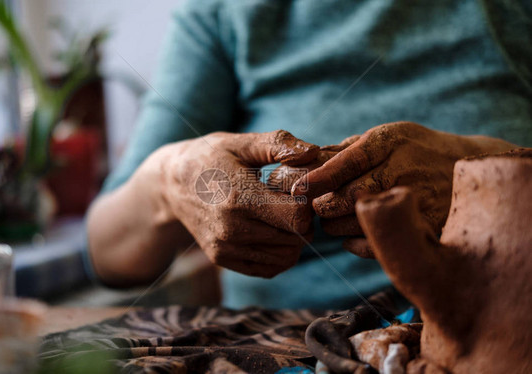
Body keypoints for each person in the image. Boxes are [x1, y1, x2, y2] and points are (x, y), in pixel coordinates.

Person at [86, 0, 531, 310]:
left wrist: (484, 174)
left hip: (506, 323)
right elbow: (106, 251)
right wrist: (170, 181)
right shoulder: (223, 13)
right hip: (294, 342)